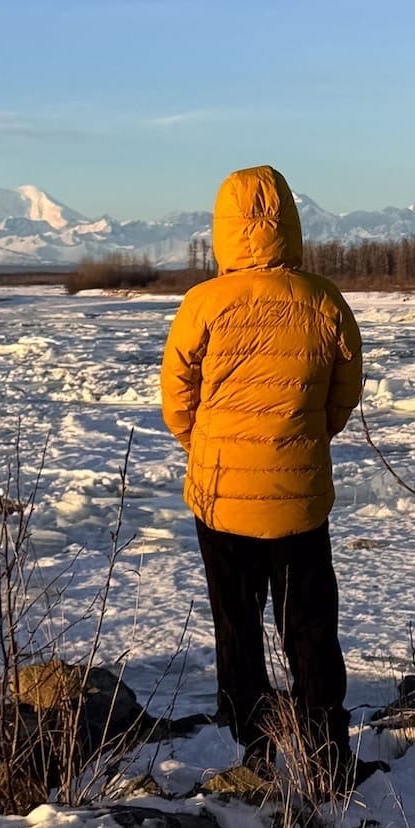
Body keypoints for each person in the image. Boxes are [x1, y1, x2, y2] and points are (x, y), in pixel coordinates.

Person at [160, 165, 384, 791]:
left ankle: (254, 749)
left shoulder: (202, 303)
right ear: (290, 220)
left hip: (221, 495)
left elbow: (177, 401)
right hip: (299, 498)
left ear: (223, 228)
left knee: (236, 623)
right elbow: (345, 393)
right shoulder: (322, 299)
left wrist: (207, 445)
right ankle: (328, 759)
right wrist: (303, 440)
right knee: (309, 627)